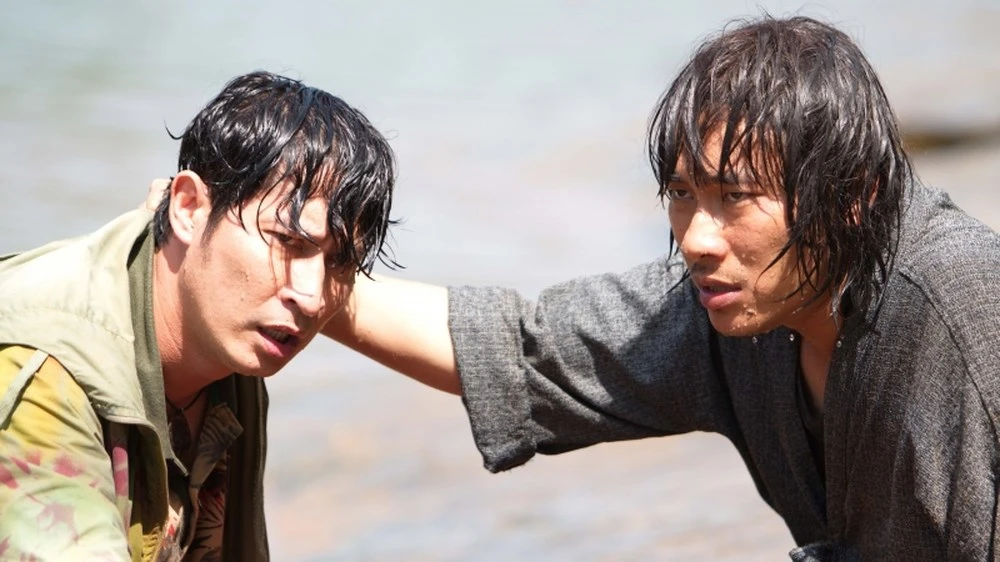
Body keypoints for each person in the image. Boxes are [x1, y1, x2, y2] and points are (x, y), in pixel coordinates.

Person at [322, 15, 1000, 561]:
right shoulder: (734, 305)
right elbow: (527, 350)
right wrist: (305, 283)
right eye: (680, 193)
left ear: (853, 195)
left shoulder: (962, 311)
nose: (697, 238)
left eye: (735, 197)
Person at [0, 71, 396, 561]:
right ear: (188, 208)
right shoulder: (41, 371)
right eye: (288, 241)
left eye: (341, 262)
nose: (313, 297)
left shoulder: (229, 346)